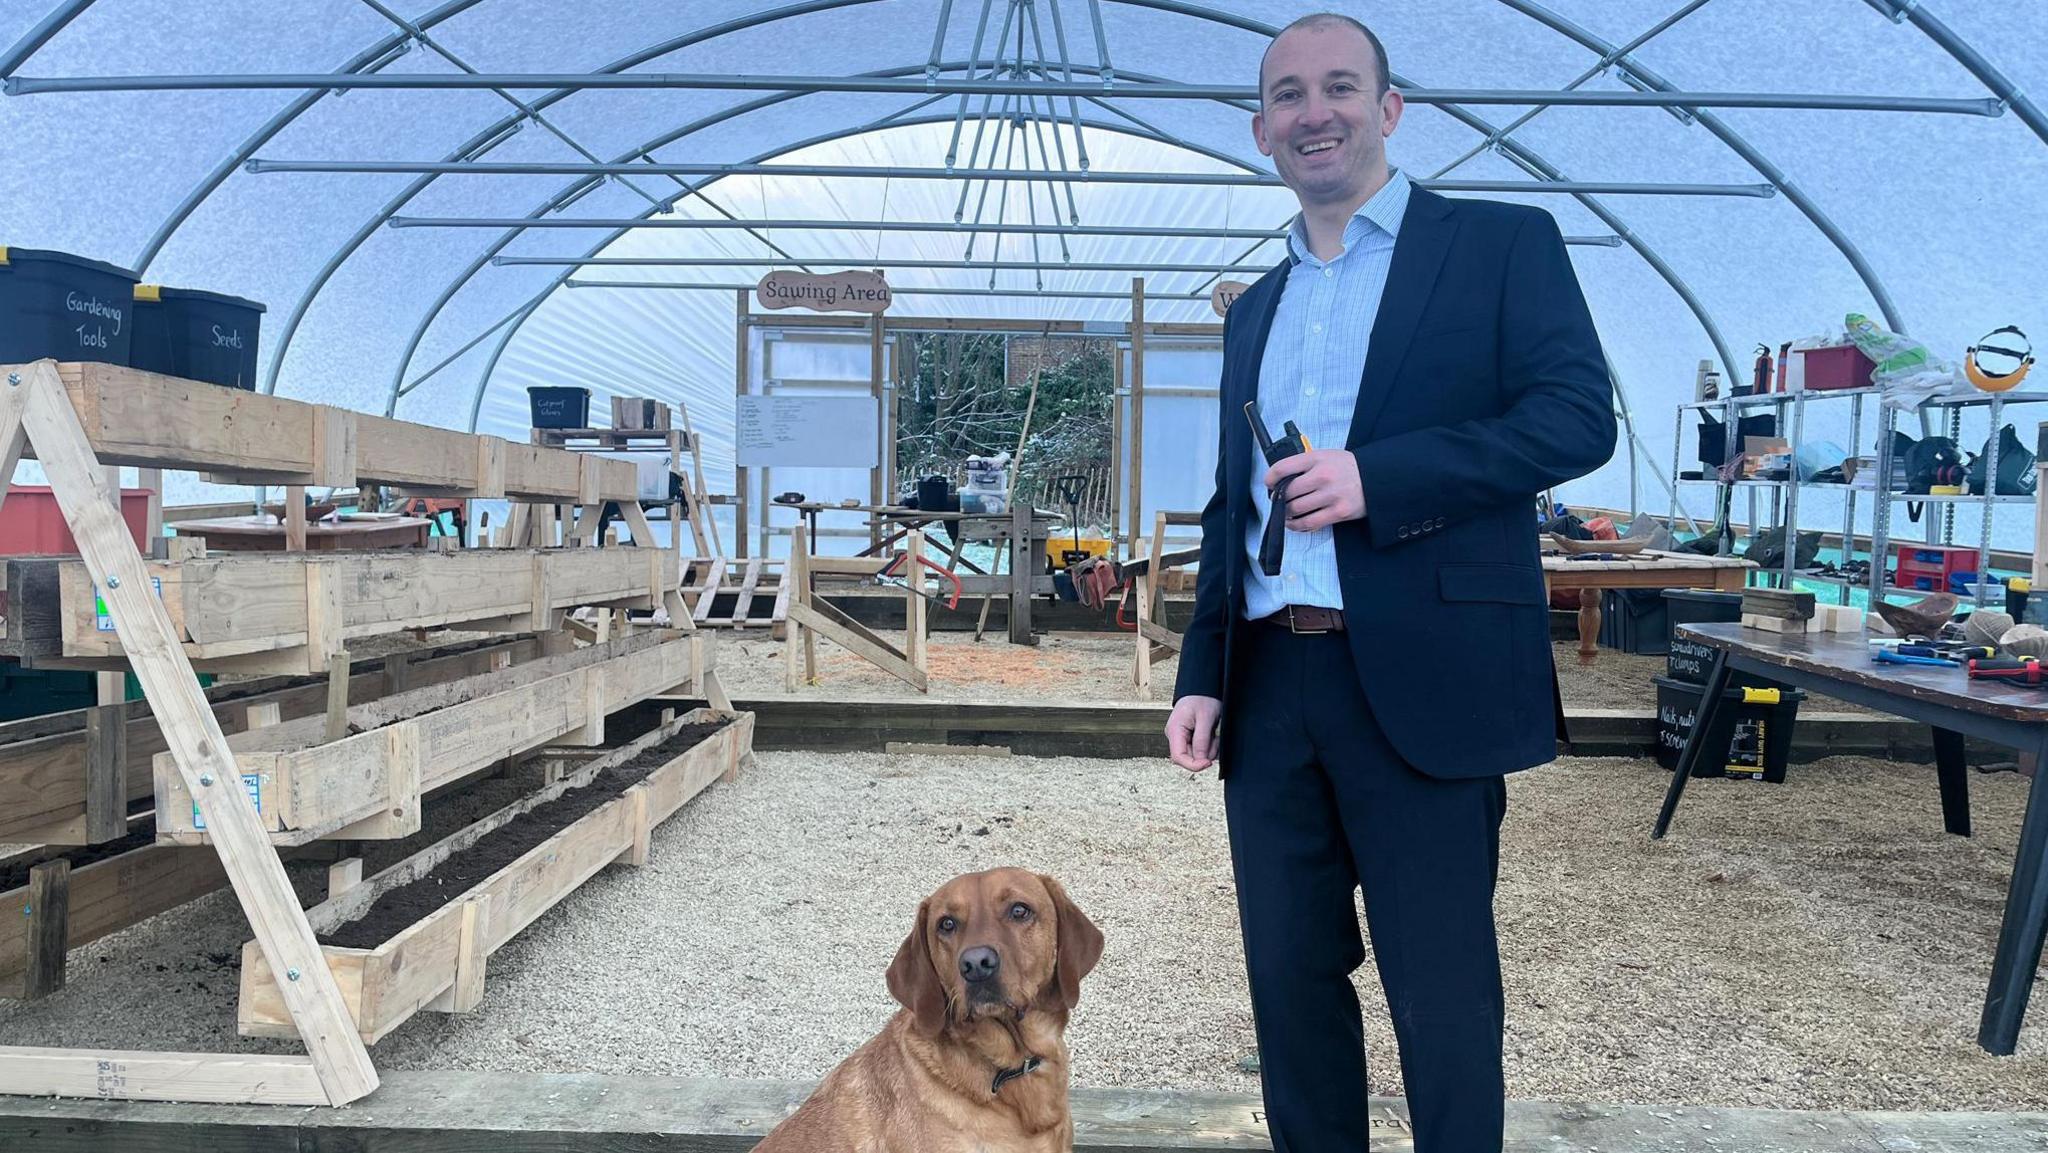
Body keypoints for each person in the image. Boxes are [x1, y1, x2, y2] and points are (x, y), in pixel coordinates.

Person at [1163, 13, 1615, 1153]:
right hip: (1272, 687)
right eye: (1286, 95)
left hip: (1425, 678)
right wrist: (1203, 669)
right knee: (1289, 980)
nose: (1313, 113)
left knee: (1443, 990)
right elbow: (1236, 498)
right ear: (1260, 128)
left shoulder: (1498, 246)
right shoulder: (1254, 307)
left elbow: (1574, 420)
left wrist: (1380, 476)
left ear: (1388, 108)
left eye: (1337, 87)